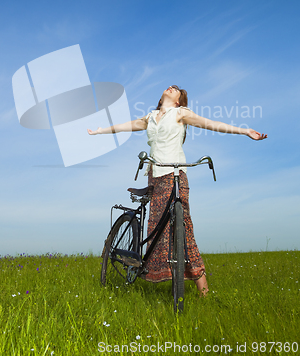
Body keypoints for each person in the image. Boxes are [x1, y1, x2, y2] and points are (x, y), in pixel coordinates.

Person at [88, 85, 267, 296]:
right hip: (154, 176)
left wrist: (244, 131)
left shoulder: (181, 114)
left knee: (183, 227)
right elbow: (126, 126)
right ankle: (149, 267)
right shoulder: (151, 116)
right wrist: (100, 131)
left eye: (177, 90)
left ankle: (204, 291)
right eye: (170, 87)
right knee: (156, 228)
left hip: (175, 174)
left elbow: (211, 124)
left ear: (179, 102)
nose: (172, 88)